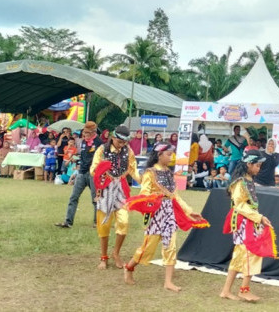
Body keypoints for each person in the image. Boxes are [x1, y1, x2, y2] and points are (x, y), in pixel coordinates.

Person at [123, 142, 207, 290]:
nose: (171, 157)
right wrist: (156, 196)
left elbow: (175, 196)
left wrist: (189, 211)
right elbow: (144, 193)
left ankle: (168, 282)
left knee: (171, 246)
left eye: (171, 154)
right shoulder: (150, 173)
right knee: (148, 247)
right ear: (159, 154)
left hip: (169, 213)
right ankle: (129, 267)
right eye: (168, 154)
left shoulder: (168, 173)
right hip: (156, 213)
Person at [220, 149, 275, 303]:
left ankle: (226, 290)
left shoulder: (246, 180)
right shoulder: (240, 183)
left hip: (248, 220)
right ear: (249, 164)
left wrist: (257, 218)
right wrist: (259, 217)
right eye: (257, 165)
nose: (259, 169)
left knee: (239, 256)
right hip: (244, 221)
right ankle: (244, 290)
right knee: (251, 252)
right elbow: (240, 205)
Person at [91, 125, 140, 269]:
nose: (122, 145)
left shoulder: (128, 151)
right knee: (104, 224)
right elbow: (93, 169)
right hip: (105, 188)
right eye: (120, 142)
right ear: (113, 138)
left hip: (121, 189)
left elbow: (133, 169)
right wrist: (102, 171)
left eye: (124, 142)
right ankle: (103, 257)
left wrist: (144, 180)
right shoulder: (102, 150)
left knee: (124, 222)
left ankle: (116, 253)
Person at [55, 121, 102, 229]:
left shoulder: (99, 142)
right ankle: (68, 221)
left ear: (94, 132)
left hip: (94, 173)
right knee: (73, 197)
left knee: (96, 198)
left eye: (88, 132)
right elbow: (83, 155)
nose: (85, 134)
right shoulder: (83, 142)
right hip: (82, 172)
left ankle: (97, 222)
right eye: (84, 132)